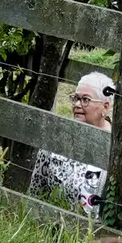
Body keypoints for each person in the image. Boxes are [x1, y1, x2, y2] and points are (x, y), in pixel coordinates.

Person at [30, 71, 113, 214]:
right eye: (75, 98)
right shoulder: (57, 137)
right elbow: (36, 190)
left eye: (85, 99)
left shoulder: (117, 146)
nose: (77, 104)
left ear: (105, 107)